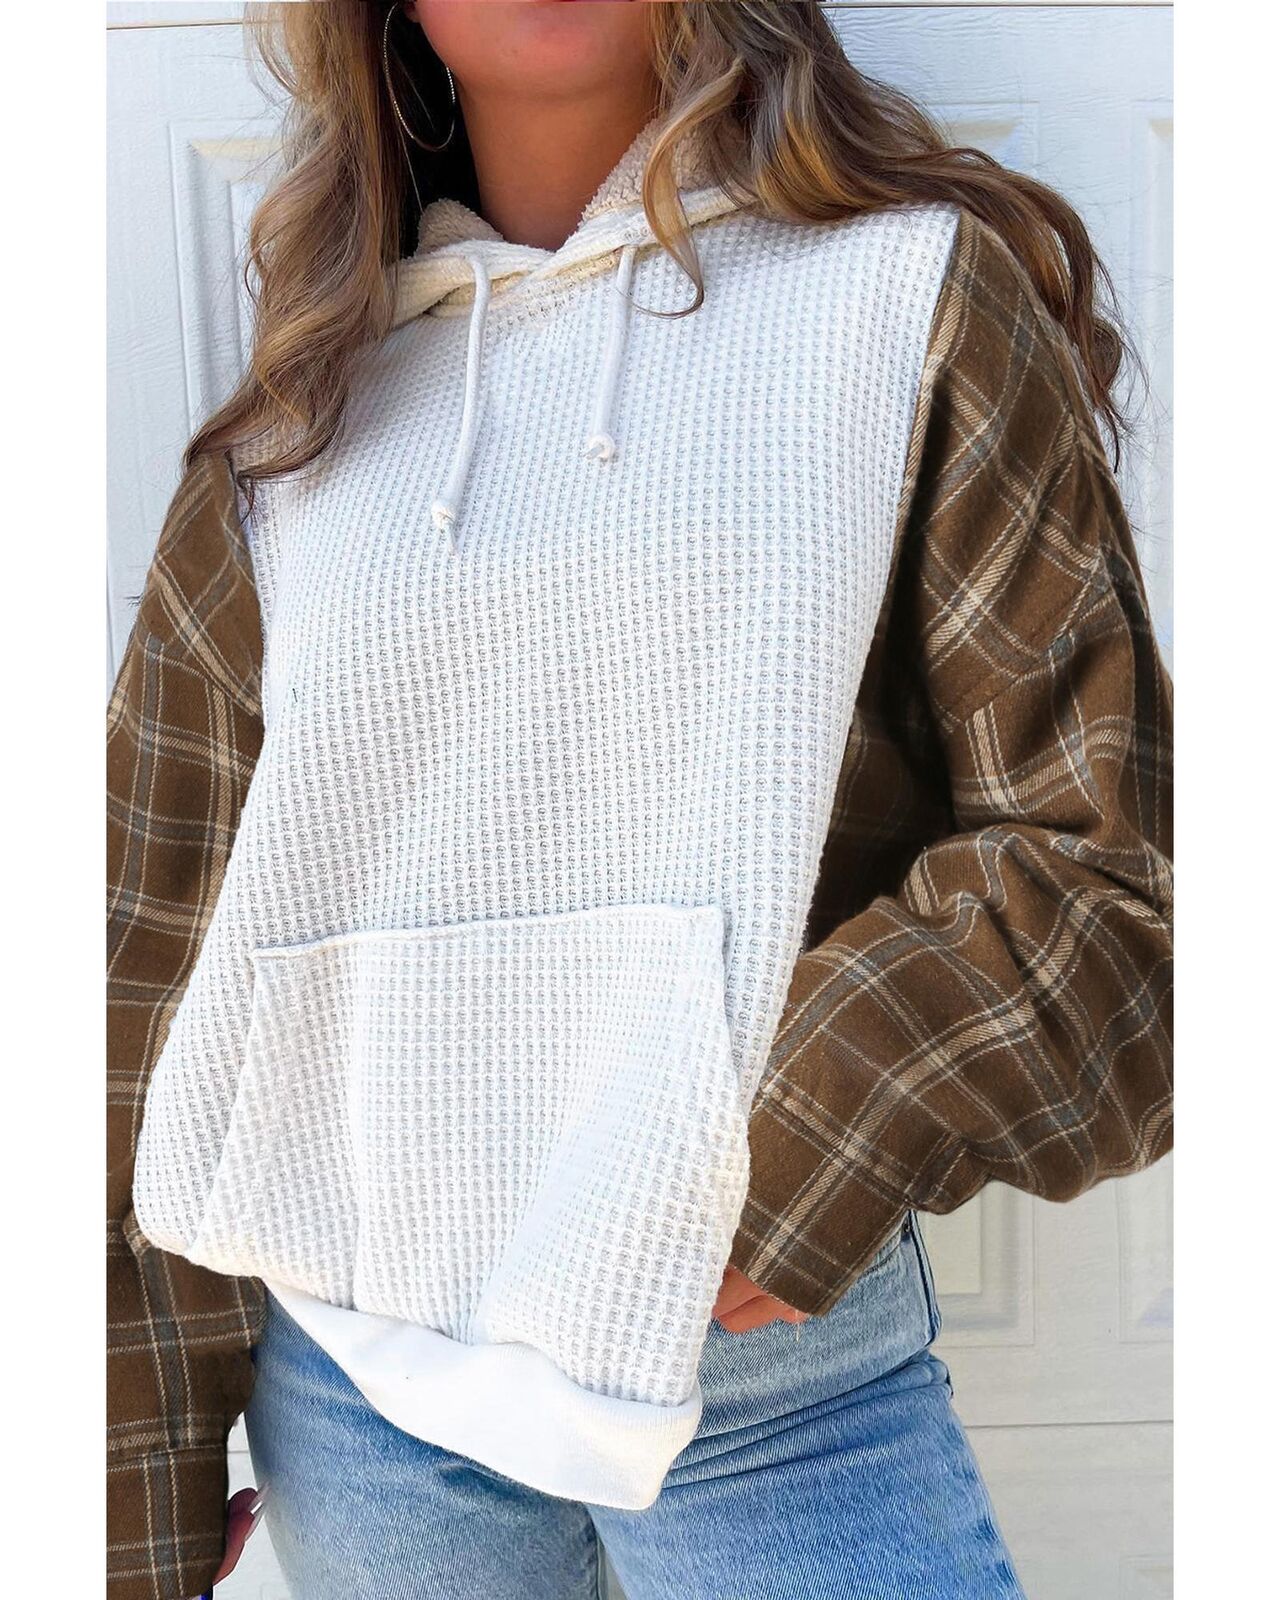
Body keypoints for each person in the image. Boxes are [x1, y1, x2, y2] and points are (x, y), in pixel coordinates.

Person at [105, 3, 1173, 1597]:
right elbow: (145, 963)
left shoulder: (911, 296)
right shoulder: (295, 431)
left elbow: (1110, 863)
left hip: (754, 1368)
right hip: (355, 1384)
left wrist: (805, 1156)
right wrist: (133, 1487)